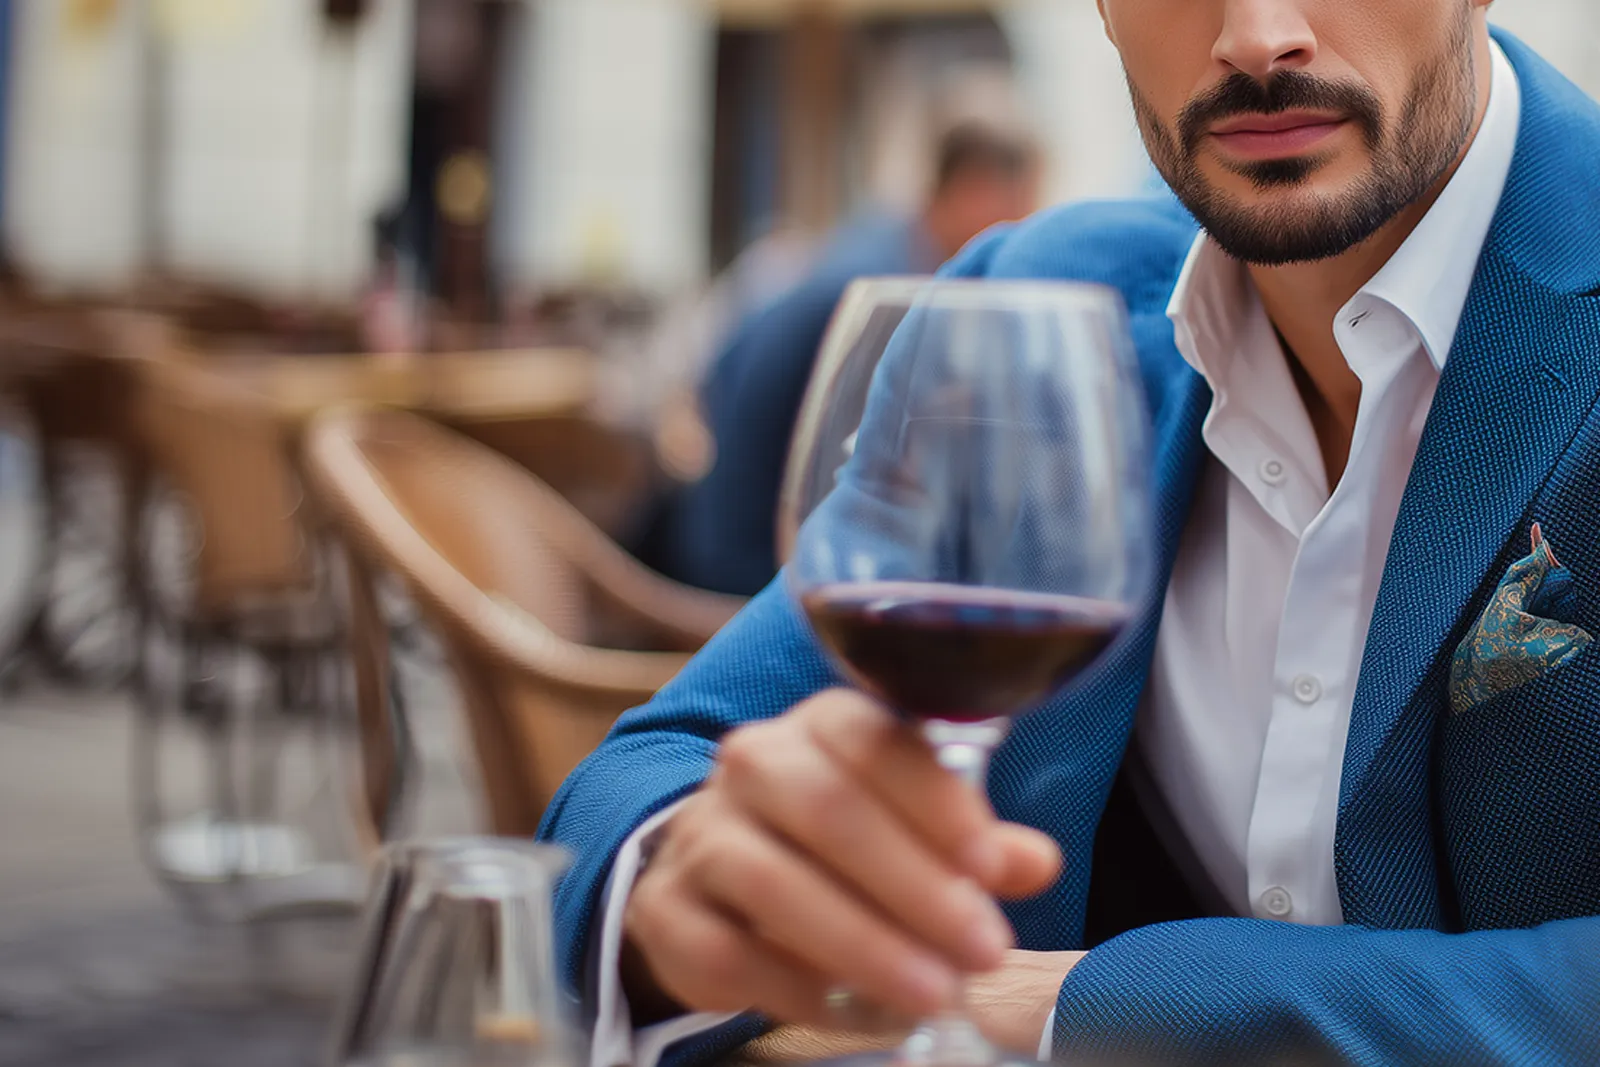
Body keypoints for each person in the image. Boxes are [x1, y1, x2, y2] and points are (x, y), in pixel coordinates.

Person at [543, 3, 1600, 1065]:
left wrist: (1091, 1001)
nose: (1255, 36)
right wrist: (681, 888)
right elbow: (644, 784)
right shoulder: (1032, 307)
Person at [640, 121, 1041, 596]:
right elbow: (889, 492)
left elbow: (716, 375)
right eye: (1022, 202)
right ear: (975, 191)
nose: (1027, 224)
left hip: (707, 535)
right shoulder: (897, 295)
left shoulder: (867, 245)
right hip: (750, 576)